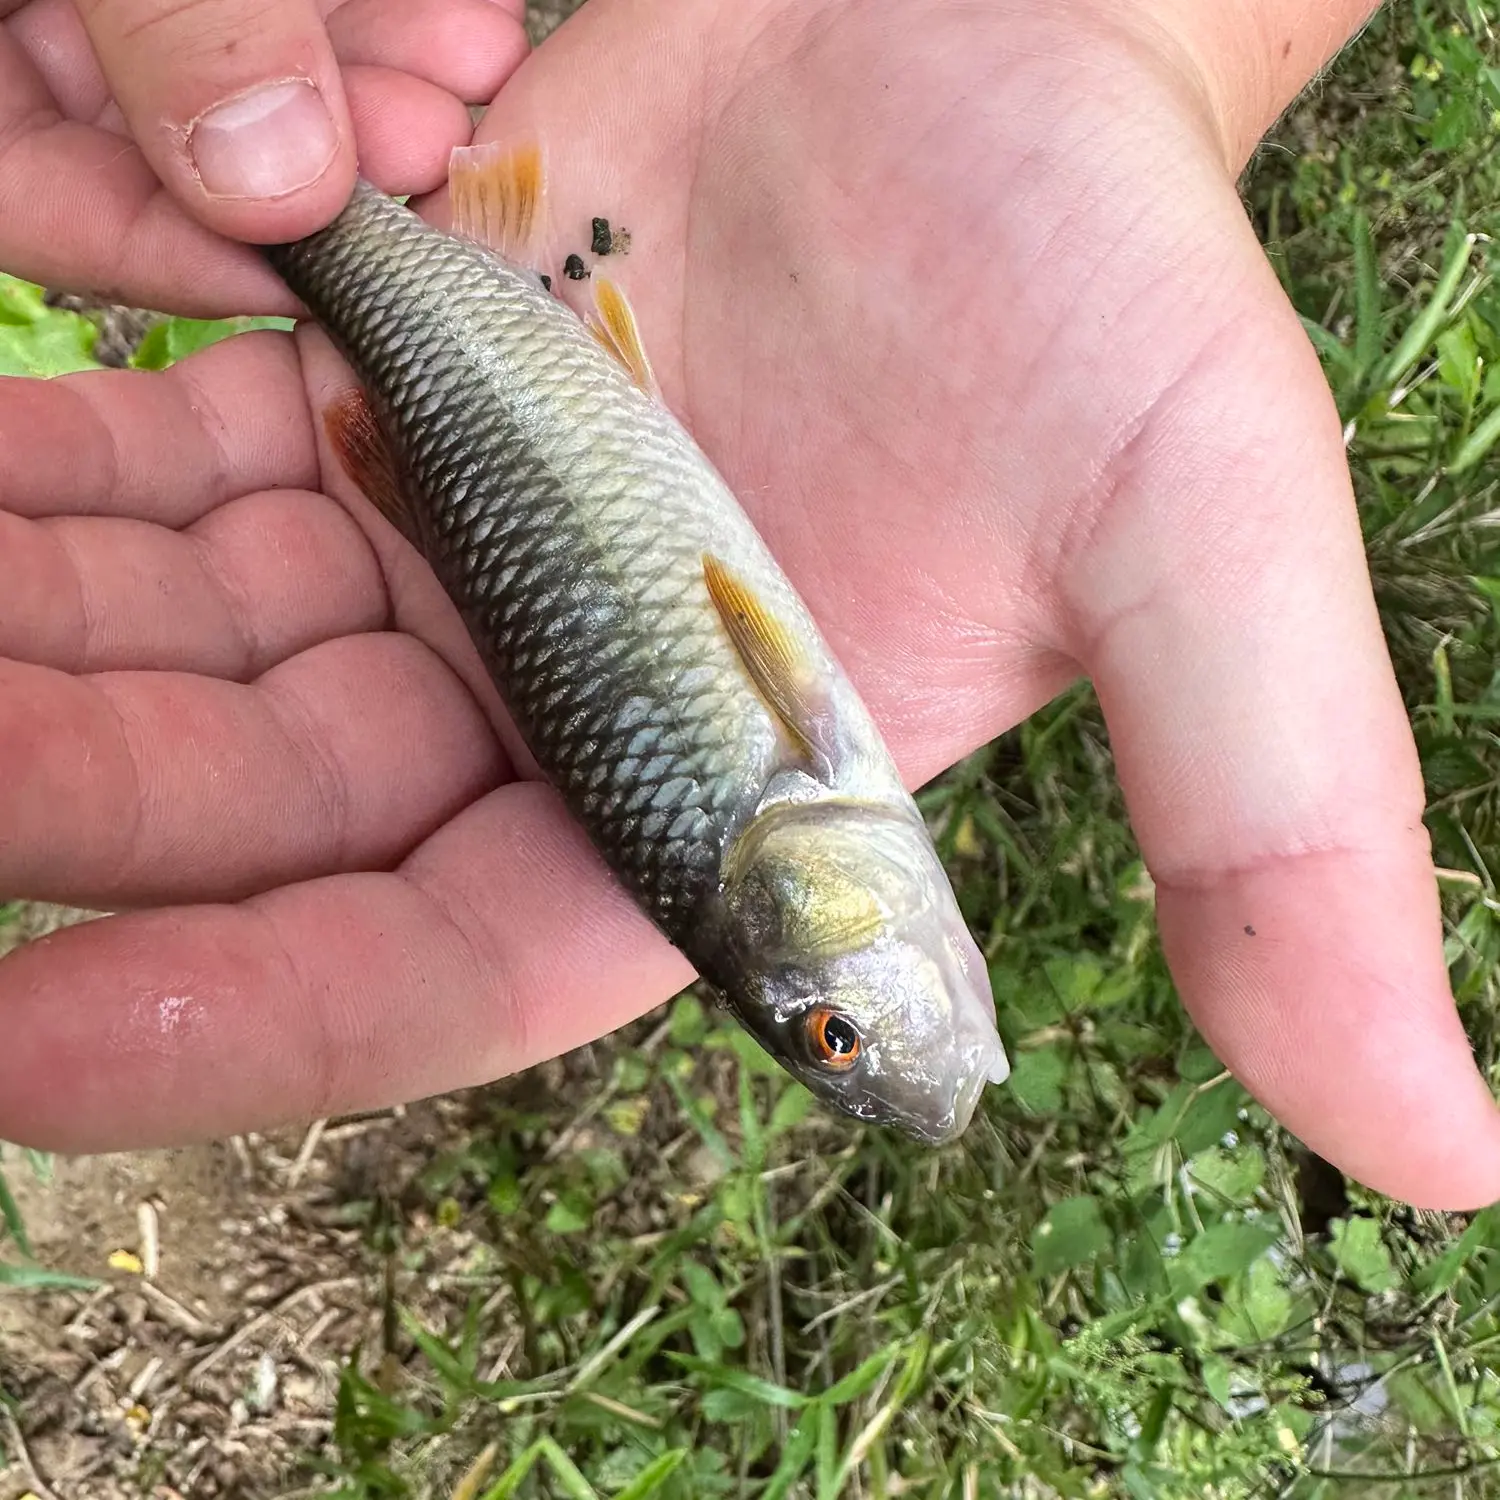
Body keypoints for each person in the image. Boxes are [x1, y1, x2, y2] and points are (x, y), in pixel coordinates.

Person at [0, 0, 1492, 1211]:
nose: (868, 1042)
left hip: (476, 355)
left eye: (832, 1030)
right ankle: (283, 202)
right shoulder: (802, 790)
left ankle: (292, 207)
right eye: (825, 1037)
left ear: (784, 906)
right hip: (480, 331)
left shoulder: (792, 778)